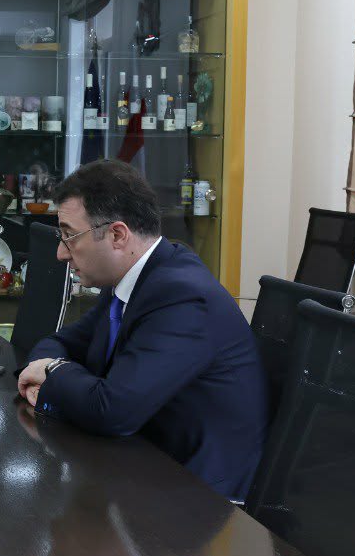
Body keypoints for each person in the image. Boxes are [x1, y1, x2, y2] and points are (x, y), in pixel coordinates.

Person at [15, 160, 267, 500]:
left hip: (198, 500)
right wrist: (50, 369)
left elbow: (112, 411)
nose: (61, 253)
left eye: (69, 236)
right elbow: (60, 342)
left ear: (117, 235)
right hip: (144, 461)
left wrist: (51, 371)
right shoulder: (133, 280)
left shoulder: (182, 297)